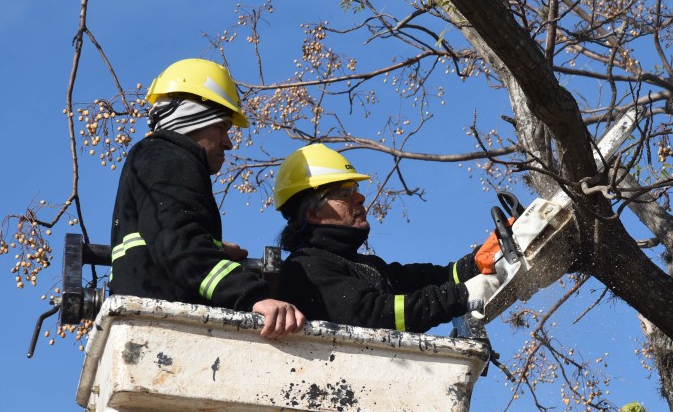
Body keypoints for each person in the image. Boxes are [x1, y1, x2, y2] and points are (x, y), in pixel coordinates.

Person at [109, 58, 305, 339]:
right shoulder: (171, 157)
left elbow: (164, 238)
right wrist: (253, 297)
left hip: (154, 326)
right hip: (166, 330)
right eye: (222, 128)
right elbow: (179, 243)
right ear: (193, 117)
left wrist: (212, 248)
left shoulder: (154, 158)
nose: (229, 142)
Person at [272, 143, 504, 333]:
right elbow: (373, 315)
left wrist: (485, 257)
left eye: (355, 189)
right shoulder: (305, 267)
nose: (361, 197)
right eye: (344, 193)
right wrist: (463, 296)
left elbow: (435, 278)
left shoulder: (365, 266)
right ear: (312, 213)